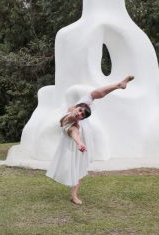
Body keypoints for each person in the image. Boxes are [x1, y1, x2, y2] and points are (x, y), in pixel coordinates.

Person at [46, 75, 134, 204]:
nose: (80, 113)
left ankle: (118, 85)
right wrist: (80, 143)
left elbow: (92, 97)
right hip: (73, 142)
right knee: (75, 167)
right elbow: (74, 134)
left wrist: (81, 143)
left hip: (82, 139)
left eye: (82, 114)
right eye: (80, 111)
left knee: (92, 95)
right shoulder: (72, 123)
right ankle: (74, 195)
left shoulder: (77, 109)